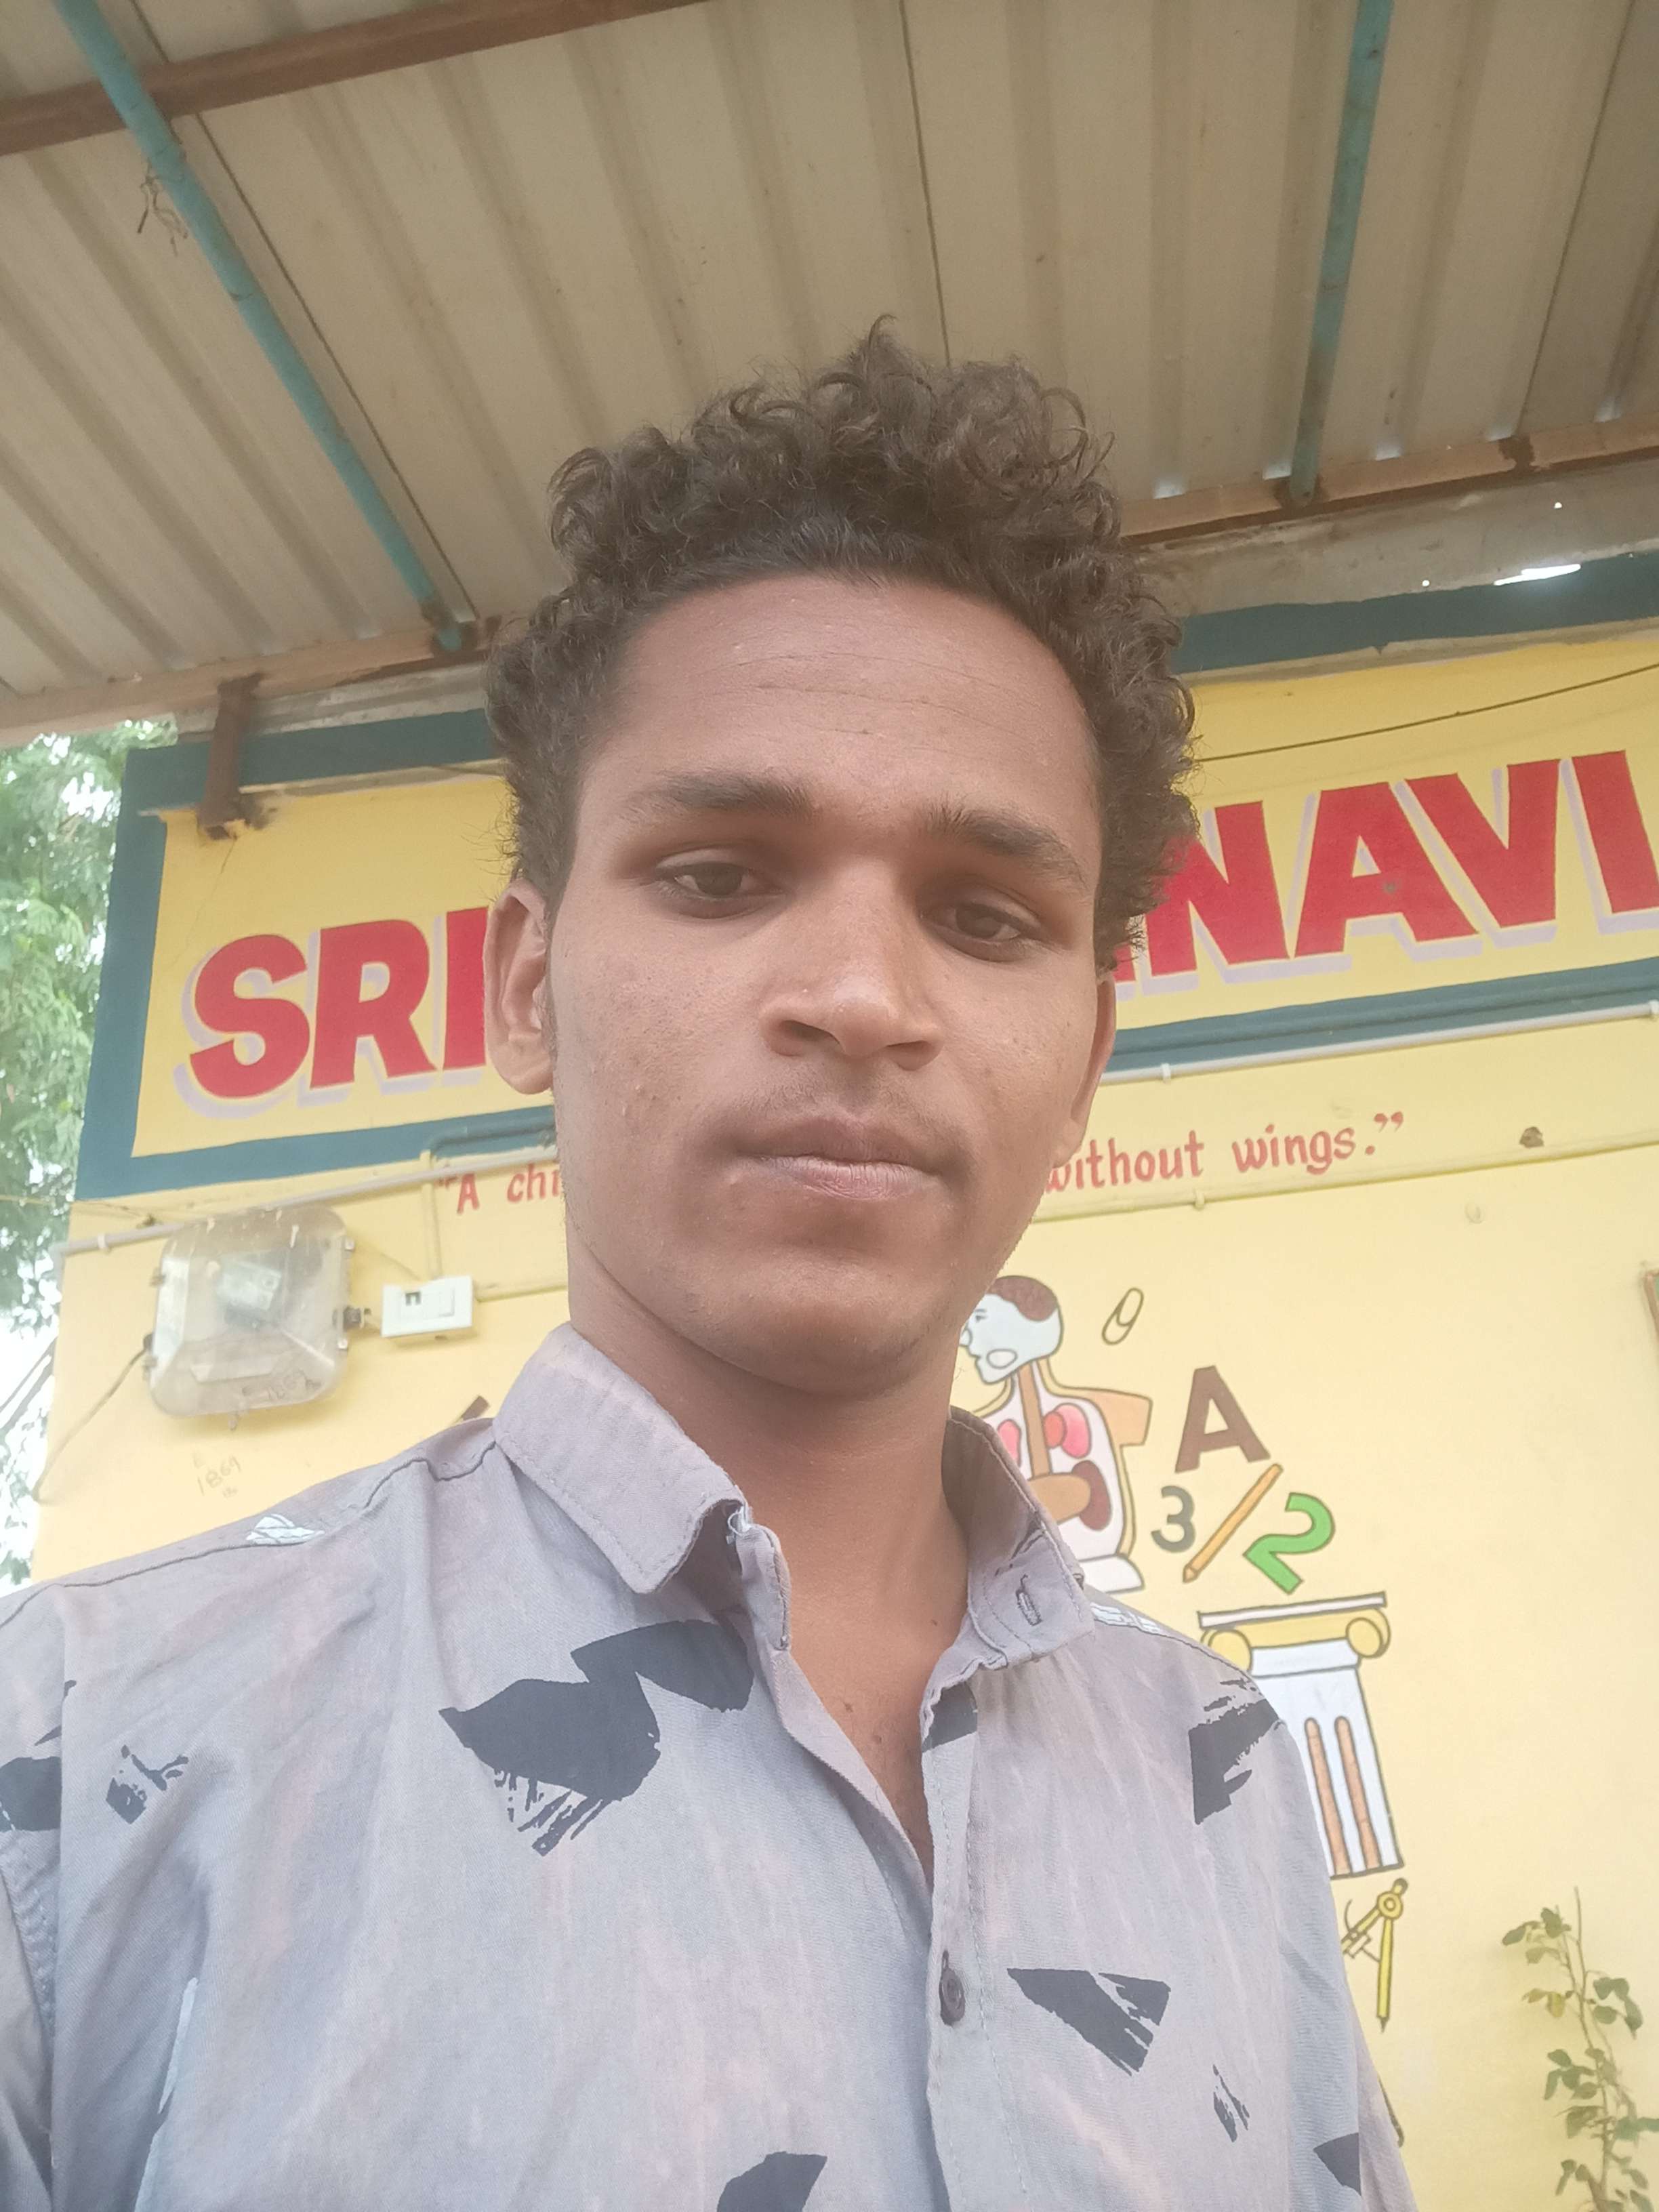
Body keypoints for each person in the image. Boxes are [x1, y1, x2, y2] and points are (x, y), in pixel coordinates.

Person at [0, 328, 1414, 2209]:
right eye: (723, 874)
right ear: (528, 987)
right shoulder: (86, 1746)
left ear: (1084, 1056)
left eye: (986, 915)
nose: (862, 996)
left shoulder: (1217, 1766)